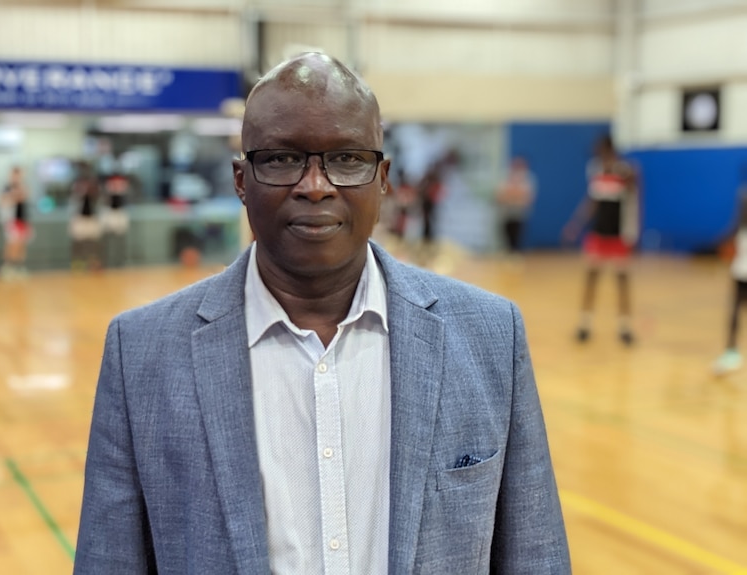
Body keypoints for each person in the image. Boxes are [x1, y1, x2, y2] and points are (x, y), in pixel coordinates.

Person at [74, 53, 570, 574]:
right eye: (283, 159)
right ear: (242, 179)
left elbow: (535, 555)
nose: (315, 185)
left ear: (383, 178)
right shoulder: (142, 352)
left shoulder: (491, 335)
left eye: (348, 159)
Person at [563, 134, 640, 345]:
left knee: (621, 280)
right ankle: (584, 324)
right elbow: (591, 202)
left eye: (601, 151)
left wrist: (634, 232)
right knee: (591, 277)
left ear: (609, 150)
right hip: (598, 234)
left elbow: (635, 200)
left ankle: (625, 326)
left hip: (619, 235)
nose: (599, 156)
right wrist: (576, 224)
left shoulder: (627, 171)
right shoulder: (596, 170)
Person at [713, 184, 747, 375]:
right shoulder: (743, 194)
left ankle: (731, 351)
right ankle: (730, 351)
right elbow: (737, 224)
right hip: (743, 253)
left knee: (736, 306)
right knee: (735, 306)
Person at [496, 156, 536, 257]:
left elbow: (527, 198)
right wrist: (514, 195)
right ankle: (508, 259)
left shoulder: (529, 179)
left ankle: (516, 258)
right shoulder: (504, 177)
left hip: (519, 215)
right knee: (507, 240)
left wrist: (512, 194)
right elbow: (500, 196)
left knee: (517, 239)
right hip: (506, 214)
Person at [0, 166, 32, 279]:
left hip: (22, 220)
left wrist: (20, 192)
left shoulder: (23, 187)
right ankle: (8, 267)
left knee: (21, 245)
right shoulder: (7, 187)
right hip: (11, 221)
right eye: (15, 174)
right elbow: (2, 200)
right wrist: (14, 195)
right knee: (12, 245)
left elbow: (25, 197)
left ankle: (19, 267)